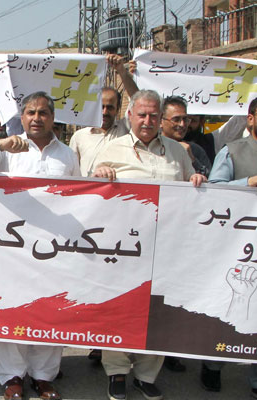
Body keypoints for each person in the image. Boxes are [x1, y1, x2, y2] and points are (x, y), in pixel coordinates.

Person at [0, 92, 79, 400]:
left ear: (53, 118)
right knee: (12, 309)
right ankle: (12, 376)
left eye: (43, 112)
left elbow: (82, 199)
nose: (36, 118)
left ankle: (43, 376)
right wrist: (0, 143)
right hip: (12, 246)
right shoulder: (9, 149)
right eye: (30, 112)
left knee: (50, 309)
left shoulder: (66, 155)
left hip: (53, 247)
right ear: (22, 117)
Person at [92, 90, 206, 400]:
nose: (147, 120)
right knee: (120, 308)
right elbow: (88, 195)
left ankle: (146, 374)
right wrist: (99, 175)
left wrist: (196, 180)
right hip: (122, 248)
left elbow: (189, 185)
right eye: (142, 114)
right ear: (129, 115)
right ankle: (116, 370)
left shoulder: (177, 151)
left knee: (158, 310)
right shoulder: (111, 149)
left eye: (154, 115)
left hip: (165, 247)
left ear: (162, 119)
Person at [205, 97, 257, 397]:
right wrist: (247, 183)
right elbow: (214, 188)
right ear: (250, 119)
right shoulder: (233, 150)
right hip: (239, 244)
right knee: (234, 307)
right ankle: (214, 365)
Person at [68, 54, 137, 177]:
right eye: (101, 107)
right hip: (90, 194)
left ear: (117, 109)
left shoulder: (125, 129)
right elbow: (72, 173)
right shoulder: (79, 137)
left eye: (110, 107)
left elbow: (137, 100)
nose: (105, 112)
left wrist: (121, 70)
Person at [160, 96, 212, 177]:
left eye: (185, 119)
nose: (182, 124)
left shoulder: (195, 150)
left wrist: (192, 159)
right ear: (160, 121)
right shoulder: (151, 147)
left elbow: (210, 180)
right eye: (176, 120)